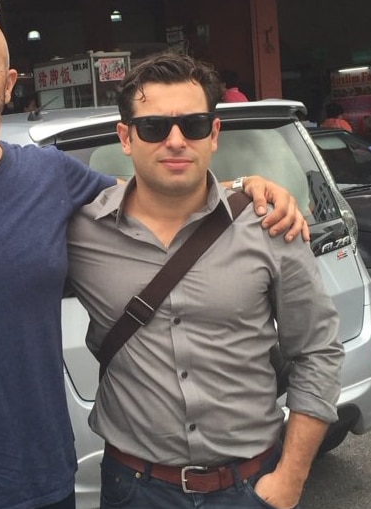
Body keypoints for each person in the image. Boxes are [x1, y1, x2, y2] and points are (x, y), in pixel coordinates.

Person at [0, 4, 306, 509]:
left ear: (8, 83)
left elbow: (157, 197)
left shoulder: (50, 177)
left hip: (43, 486)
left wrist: (245, 189)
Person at [67, 52, 344, 509]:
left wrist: (290, 479)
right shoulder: (81, 231)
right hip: (134, 487)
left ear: (213, 135)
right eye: (154, 128)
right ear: (126, 137)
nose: (176, 141)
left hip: (251, 486)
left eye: (193, 125)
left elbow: (316, 351)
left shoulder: (269, 225)